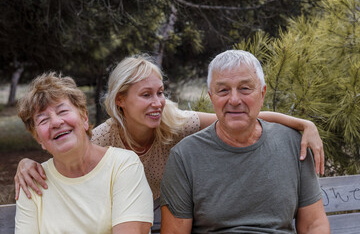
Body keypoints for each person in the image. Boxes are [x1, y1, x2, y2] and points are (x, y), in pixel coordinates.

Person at [14, 54, 324, 232]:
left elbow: (234, 114)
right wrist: (27, 164)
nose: (158, 102)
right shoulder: (100, 142)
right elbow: (66, 152)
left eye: (161, 92)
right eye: (146, 95)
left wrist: (300, 123)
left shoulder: (175, 123)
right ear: (120, 100)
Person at [160, 50, 330, 233]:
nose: (234, 100)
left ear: (262, 93)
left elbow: (314, 224)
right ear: (211, 97)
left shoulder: (293, 144)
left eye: (245, 88)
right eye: (223, 90)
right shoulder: (185, 156)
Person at [15, 73, 153, 233]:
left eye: (62, 111)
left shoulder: (123, 165)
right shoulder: (32, 182)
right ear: (38, 138)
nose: (56, 122)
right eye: (43, 120)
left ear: (84, 118)